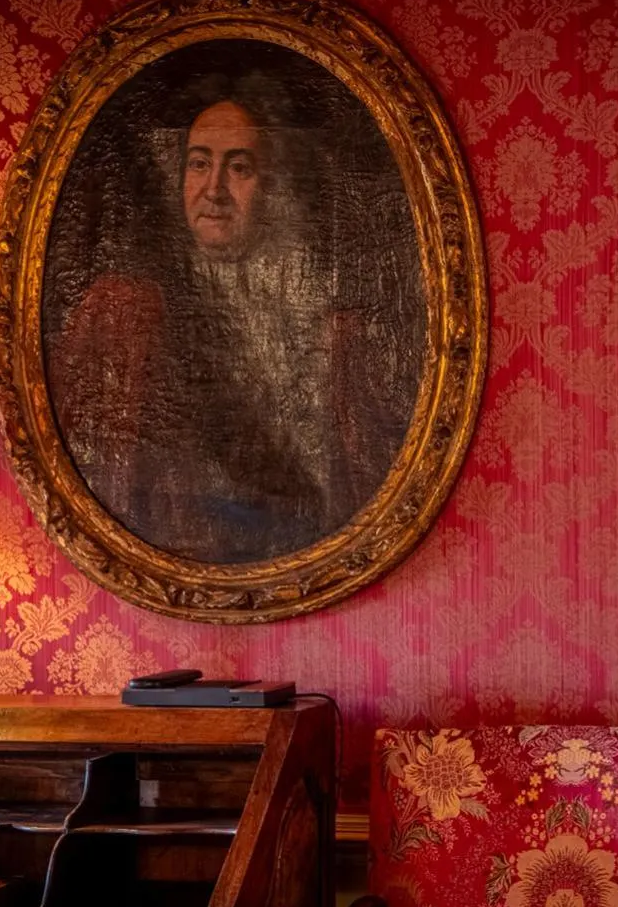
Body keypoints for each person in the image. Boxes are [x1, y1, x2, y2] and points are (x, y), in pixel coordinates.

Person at [47, 76, 416, 564]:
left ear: (278, 184)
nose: (213, 190)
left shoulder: (335, 328)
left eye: (238, 167)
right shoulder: (118, 311)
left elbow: (357, 491)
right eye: (199, 163)